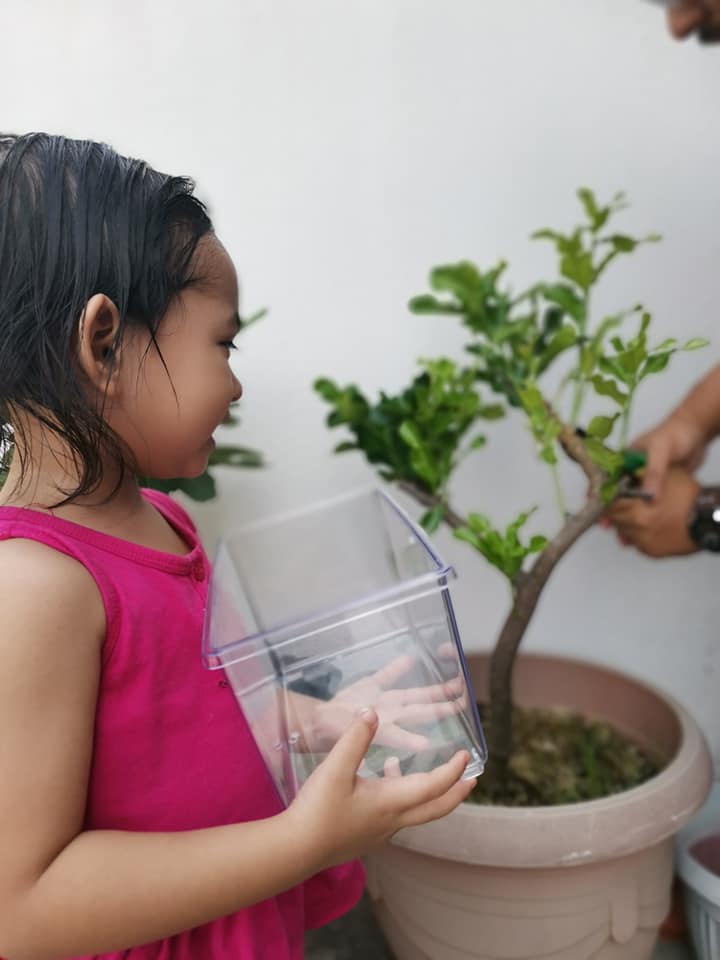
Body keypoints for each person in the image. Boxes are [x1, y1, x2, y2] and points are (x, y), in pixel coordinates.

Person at [0, 133, 476, 960]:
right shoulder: (34, 587)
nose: (236, 381)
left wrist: (315, 720)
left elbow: (181, 708)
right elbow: (22, 907)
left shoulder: (161, 518)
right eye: (223, 344)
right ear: (104, 344)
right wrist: (305, 843)